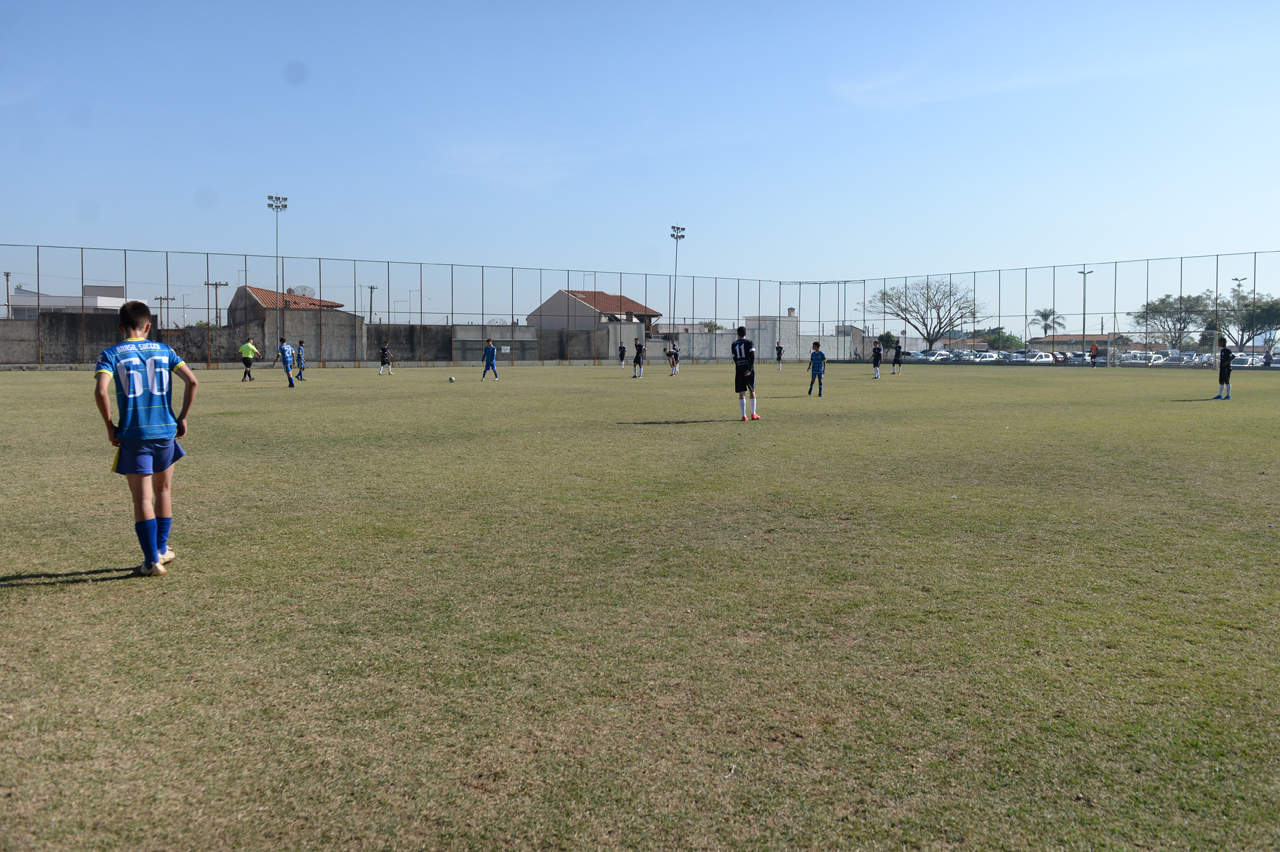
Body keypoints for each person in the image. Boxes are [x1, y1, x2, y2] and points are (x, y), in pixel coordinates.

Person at [93, 301, 198, 576]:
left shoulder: (111, 354)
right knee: (163, 491)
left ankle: (151, 561)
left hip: (134, 433)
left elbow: (101, 391)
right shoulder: (165, 350)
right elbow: (193, 381)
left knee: (142, 498)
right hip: (165, 431)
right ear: (148, 326)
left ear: (120, 327)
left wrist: (109, 425)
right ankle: (162, 549)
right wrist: (182, 417)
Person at [731, 325, 759, 420]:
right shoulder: (749, 343)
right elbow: (752, 356)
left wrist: (738, 368)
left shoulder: (734, 344)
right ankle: (753, 414)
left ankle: (744, 415)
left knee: (741, 393)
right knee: (752, 390)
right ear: (746, 334)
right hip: (748, 368)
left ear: (737, 334)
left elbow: (734, 357)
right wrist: (750, 369)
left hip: (739, 368)